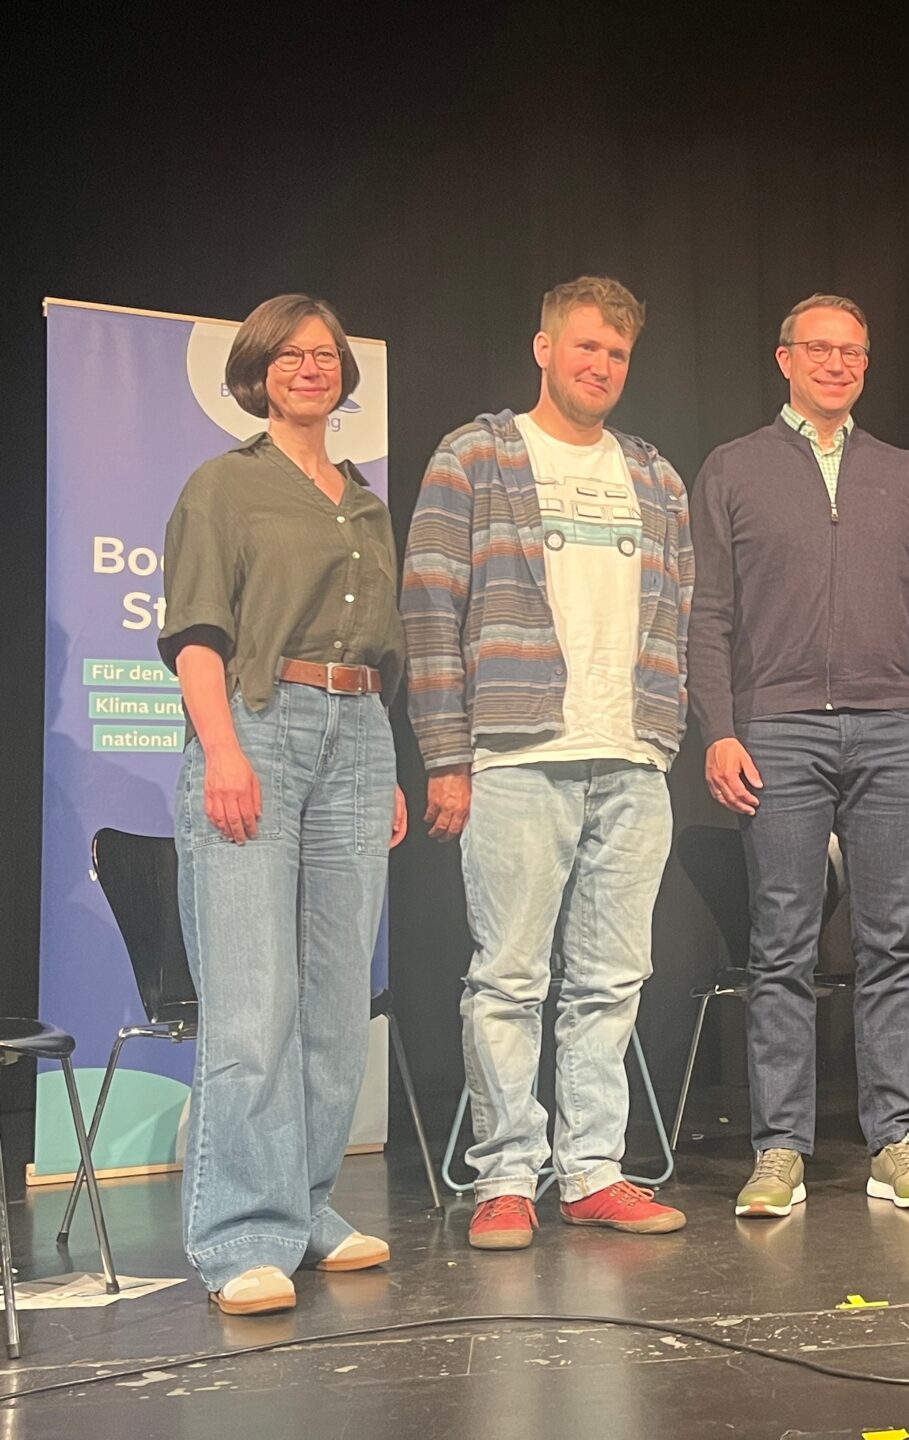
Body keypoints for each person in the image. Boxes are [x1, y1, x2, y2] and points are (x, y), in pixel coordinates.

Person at [402, 276, 691, 1249]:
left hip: (632, 759)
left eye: (617, 354)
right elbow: (429, 608)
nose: (601, 366)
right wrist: (446, 755)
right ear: (545, 348)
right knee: (510, 979)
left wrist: (662, 731)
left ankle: (594, 1171)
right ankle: (506, 1176)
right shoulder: (477, 455)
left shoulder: (653, 475)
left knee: (613, 980)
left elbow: (681, 610)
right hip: (517, 756)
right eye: (586, 348)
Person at [690, 293, 909, 1218]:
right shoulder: (734, 467)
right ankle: (780, 1151)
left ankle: (896, 1143)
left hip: (894, 725)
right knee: (781, 946)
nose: (838, 363)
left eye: (853, 351)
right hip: (778, 730)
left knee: (892, 943)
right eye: (820, 348)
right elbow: (708, 612)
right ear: (785, 359)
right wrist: (719, 727)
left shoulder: (900, 470)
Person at [160, 294, 408, 1315]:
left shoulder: (365, 503)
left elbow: (378, 648)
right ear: (257, 373)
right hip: (257, 723)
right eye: (291, 355)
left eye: (326, 355)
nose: (312, 368)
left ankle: (304, 1209)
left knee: (337, 1002)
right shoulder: (224, 485)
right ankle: (239, 1234)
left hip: (359, 733)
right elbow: (198, 636)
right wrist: (221, 749)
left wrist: (386, 767)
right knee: (253, 1000)